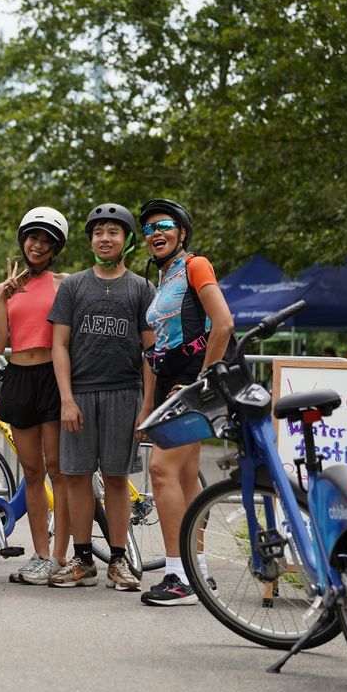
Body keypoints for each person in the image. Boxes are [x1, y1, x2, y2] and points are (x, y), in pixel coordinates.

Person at [47, 203, 154, 592]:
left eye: (113, 231)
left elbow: (151, 351)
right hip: (80, 392)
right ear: (90, 239)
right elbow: (59, 345)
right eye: (98, 232)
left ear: (126, 239)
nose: (104, 238)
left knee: (116, 477)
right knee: (76, 476)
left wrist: (147, 406)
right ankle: (82, 559)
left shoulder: (141, 288)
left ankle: (119, 560)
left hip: (124, 392)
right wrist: (66, 398)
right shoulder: (73, 286)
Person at [137, 199, 233, 606]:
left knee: (161, 471)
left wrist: (200, 382)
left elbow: (223, 323)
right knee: (186, 477)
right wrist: (147, 406)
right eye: (148, 229)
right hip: (169, 383)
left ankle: (179, 577)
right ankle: (199, 569)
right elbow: (155, 351)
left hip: (191, 381)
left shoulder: (196, 265)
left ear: (181, 233)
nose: (155, 233)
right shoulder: (163, 280)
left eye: (164, 225)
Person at [0, 207, 72, 585]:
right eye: (32, 238)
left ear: (55, 248)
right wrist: (2, 300)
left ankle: (62, 556)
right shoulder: (4, 288)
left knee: (59, 469)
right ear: (23, 242)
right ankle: (41, 554)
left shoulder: (64, 283)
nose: (37, 245)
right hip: (19, 376)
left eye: (46, 241)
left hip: (53, 377)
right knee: (33, 472)